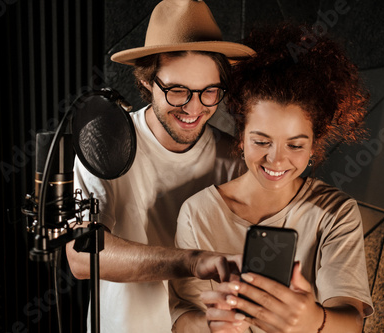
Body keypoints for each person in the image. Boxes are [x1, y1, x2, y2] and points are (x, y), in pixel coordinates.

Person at [169, 22, 374, 333]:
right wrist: (209, 325)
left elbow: (351, 320)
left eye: (295, 145)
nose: (276, 159)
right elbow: (183, 317)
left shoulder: (336, 212)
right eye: (261, 141)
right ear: (241, 136)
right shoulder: (198, 214)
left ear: (315, 142)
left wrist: (313, 320)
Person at [65, 0, 255, 332]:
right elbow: (82, 257)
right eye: (177, 90)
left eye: (209, 92)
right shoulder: (104, 144)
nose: (193, 108)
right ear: (147, 82)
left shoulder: (236, 158)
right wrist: (192, 262)